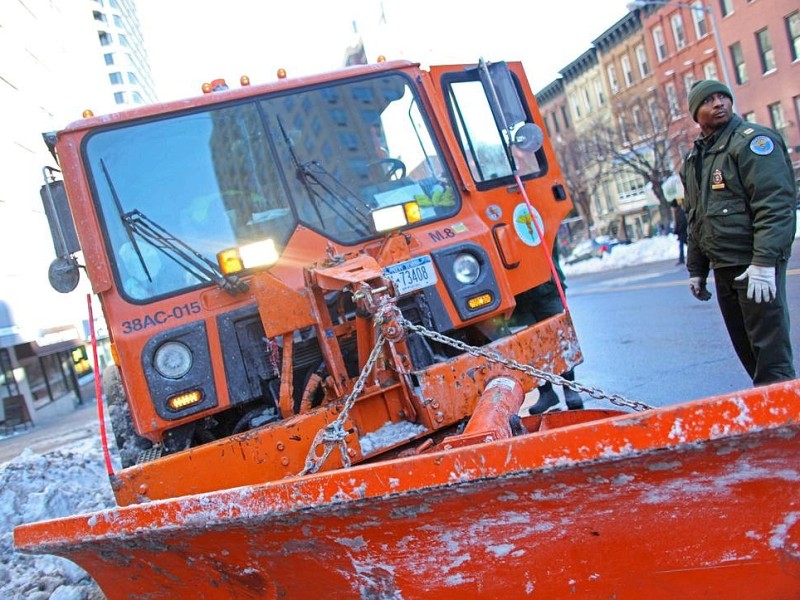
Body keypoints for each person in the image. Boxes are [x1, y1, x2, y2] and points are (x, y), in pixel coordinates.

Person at [679, 79, 797, 386]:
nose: (719, 103)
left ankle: (788, 422)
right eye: (709, 101)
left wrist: (764, 262)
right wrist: (696, 269)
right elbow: (695, 217)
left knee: (771, 357)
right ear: (696, 113)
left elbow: (775, 205)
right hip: (724, 267)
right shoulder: (694, 160)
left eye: (723, 97)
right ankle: (772, 416)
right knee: (748, 353)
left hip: (754, 263)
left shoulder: (753, 142)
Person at [510, 236, 585, 414]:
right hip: (520, 292)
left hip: (547, 285)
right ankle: (546, 392)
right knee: (529, 345)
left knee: (558, 337)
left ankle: (569, 387)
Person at [671, 199, 687, 265]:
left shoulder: (679, 212)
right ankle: (681, 259)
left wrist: (677, 230)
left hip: (683, 233)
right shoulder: (678, 211)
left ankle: (681, 259)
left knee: (682, 246)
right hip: (682, 232)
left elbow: (681, 223)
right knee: (683, 246)